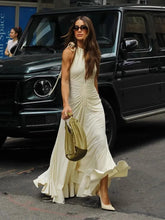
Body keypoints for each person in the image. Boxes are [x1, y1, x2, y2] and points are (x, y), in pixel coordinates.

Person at [33, 16, 130, 211]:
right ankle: (63, 183)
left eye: (83, 27)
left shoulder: (95, 52)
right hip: (74, 106)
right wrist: (66, 104)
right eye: (76, 27)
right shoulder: (69, 51)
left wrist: (99, 103)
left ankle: (104, 195)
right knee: (68, 148)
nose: (79, 30)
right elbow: (65, 80)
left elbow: (94, 81)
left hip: (94, 106)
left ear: (89, 30)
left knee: (101, 145)